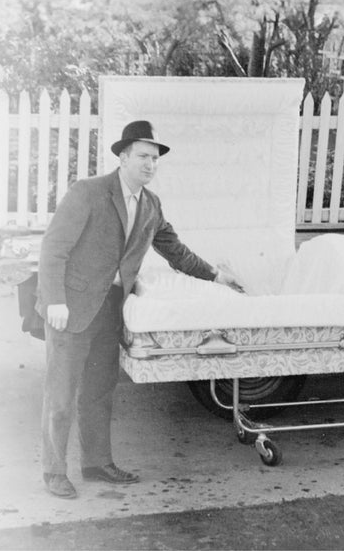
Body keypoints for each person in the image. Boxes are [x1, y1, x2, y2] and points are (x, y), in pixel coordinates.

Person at [36, 120, 245, 499]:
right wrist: (54, 301)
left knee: (99, 392)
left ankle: (96, 463)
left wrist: (216, 276)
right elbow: (53, 249)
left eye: (155, 158)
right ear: (122, 157)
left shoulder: (150, 205)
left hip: (112, 309)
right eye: (143, 156)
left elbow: (175, 251)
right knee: (61, 394)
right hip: (71, 307)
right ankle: (54, 472)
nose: (150, 165)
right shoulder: (88, 192)